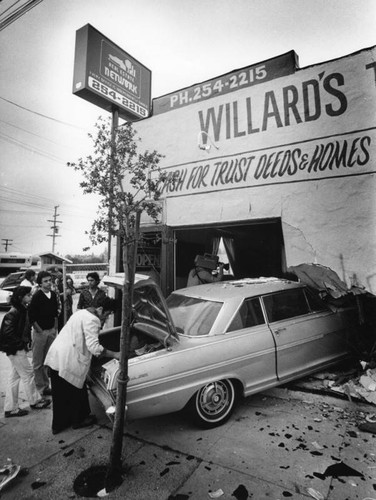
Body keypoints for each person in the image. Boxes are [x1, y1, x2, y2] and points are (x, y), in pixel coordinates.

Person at [45, 297, 120, 434]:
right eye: (107, 314)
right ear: (100, 309)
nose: (108, 317)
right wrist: (115, 354)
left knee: (62, 394)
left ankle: (62, 423)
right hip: (68, 359)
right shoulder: (93, 320)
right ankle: (78, 420)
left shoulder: (81, 313)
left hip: (58, 355)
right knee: (74, 391)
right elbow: (94, 347)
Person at [0, 286, 51, 418]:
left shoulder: (21, 310)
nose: (30, 297)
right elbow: (7, 334)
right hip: (15, 349)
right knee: (28, 374)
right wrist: (21, 345)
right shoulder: (14, 312)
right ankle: (35, 401)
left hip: (15, 348)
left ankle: (10, 408)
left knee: (14, 378)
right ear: (20, 298)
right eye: (27, 295)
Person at [28, 271, 61, 396]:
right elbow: (31, 316)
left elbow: (55, 312)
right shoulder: (37, 296)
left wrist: (55, 327)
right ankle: (40, 388)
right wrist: (39, 330)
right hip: (40, 333)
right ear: (40, 283)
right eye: (45, 281)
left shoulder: (52, 294)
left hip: (51, 331)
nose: (48, 283)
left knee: (47, 360)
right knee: (38, 362)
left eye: (49, 280)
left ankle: (46, 386)